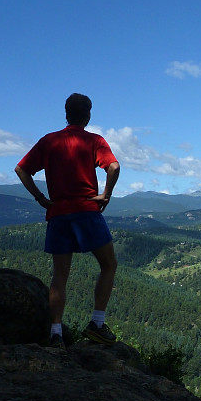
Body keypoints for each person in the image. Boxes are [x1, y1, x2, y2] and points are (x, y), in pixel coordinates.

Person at [15, 93, 121, 349]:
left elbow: (21, 169)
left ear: (66, 113)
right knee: (108, 264)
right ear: (88, 115)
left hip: (59, 214)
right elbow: (114, 167)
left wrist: (41, 198)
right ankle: (96, 324)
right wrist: (106, 194)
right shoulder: (94, 140)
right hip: (87, 211)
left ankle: (56, 333)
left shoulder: (49, 141)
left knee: (60, 276)